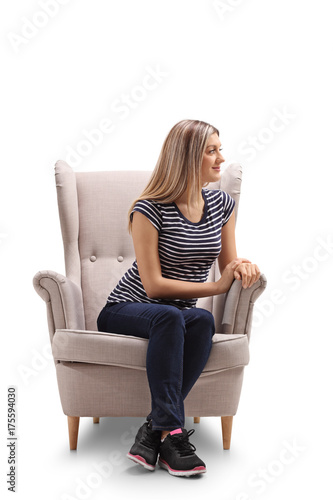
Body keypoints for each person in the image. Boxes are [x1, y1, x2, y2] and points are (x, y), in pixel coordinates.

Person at [97, 119, 261, 477]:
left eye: (220, 149)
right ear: (188, 157)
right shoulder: (148, 208)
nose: (221, 158)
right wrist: (215, 288)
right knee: (171, 316)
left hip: (175, 315)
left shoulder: (222, 204)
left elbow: (228, 263)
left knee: (202, 319)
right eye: (211, 151)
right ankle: (174, 434)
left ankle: (154, 432)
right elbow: (153, 286)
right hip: (125, 309)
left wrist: (243, 266)